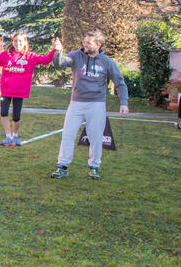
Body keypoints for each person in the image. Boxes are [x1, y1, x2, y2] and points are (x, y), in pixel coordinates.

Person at [50, 30, 129, 180]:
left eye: (88, 43)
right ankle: (63, 166)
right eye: (84, 42)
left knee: (96, 137)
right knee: (68, 134)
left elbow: (120, 82)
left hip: (97, 105)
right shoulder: (76, 55)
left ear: (98, 45)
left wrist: (124, 103)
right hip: (76, 103)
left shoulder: (106, 62)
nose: (84, 45)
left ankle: (94, 167)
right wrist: (58, 51)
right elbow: (59, 63)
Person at [0, 33, 57, 146]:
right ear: (12, 42)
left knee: (16, 117)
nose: (18, 43)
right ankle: (8, 137)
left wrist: (54, 50)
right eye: (16, 41)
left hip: (19, 91)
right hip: (6, 90)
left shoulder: (30, 56)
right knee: (3, 113)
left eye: (21, 41)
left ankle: (15, 136)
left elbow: (45, 60)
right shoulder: (5, 55)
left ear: (25, 43)